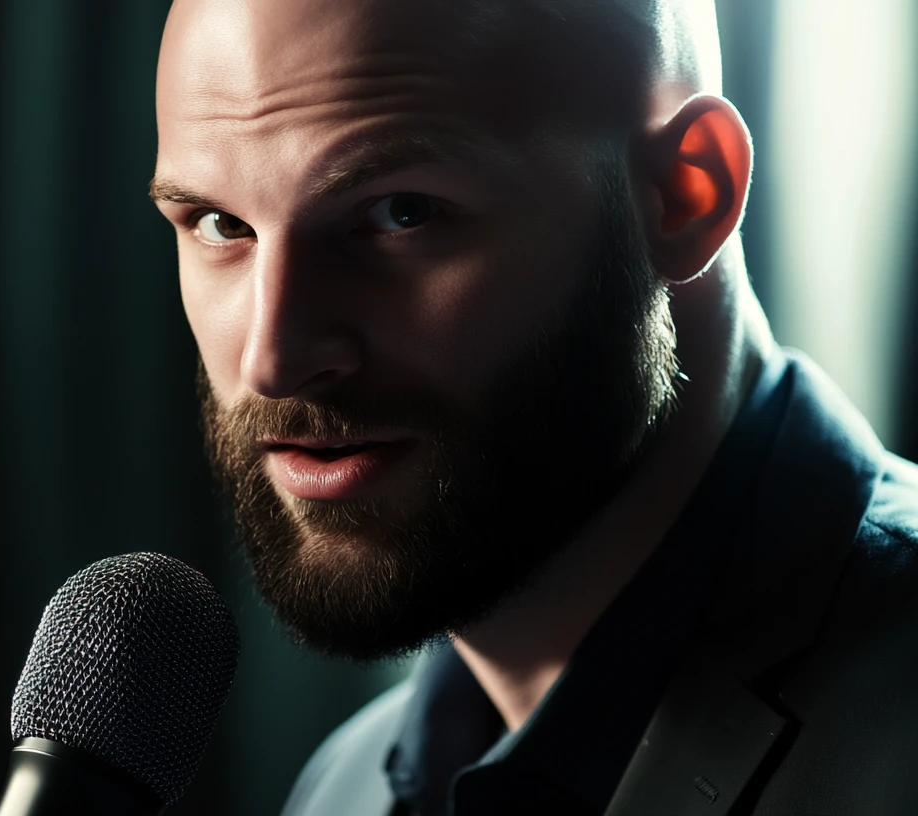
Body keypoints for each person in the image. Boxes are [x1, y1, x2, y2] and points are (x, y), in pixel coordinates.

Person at [149, 0, 918, 813]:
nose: (272, 361)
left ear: (687, 193)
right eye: (220, 223)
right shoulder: (343, 788)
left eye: (400, 213)